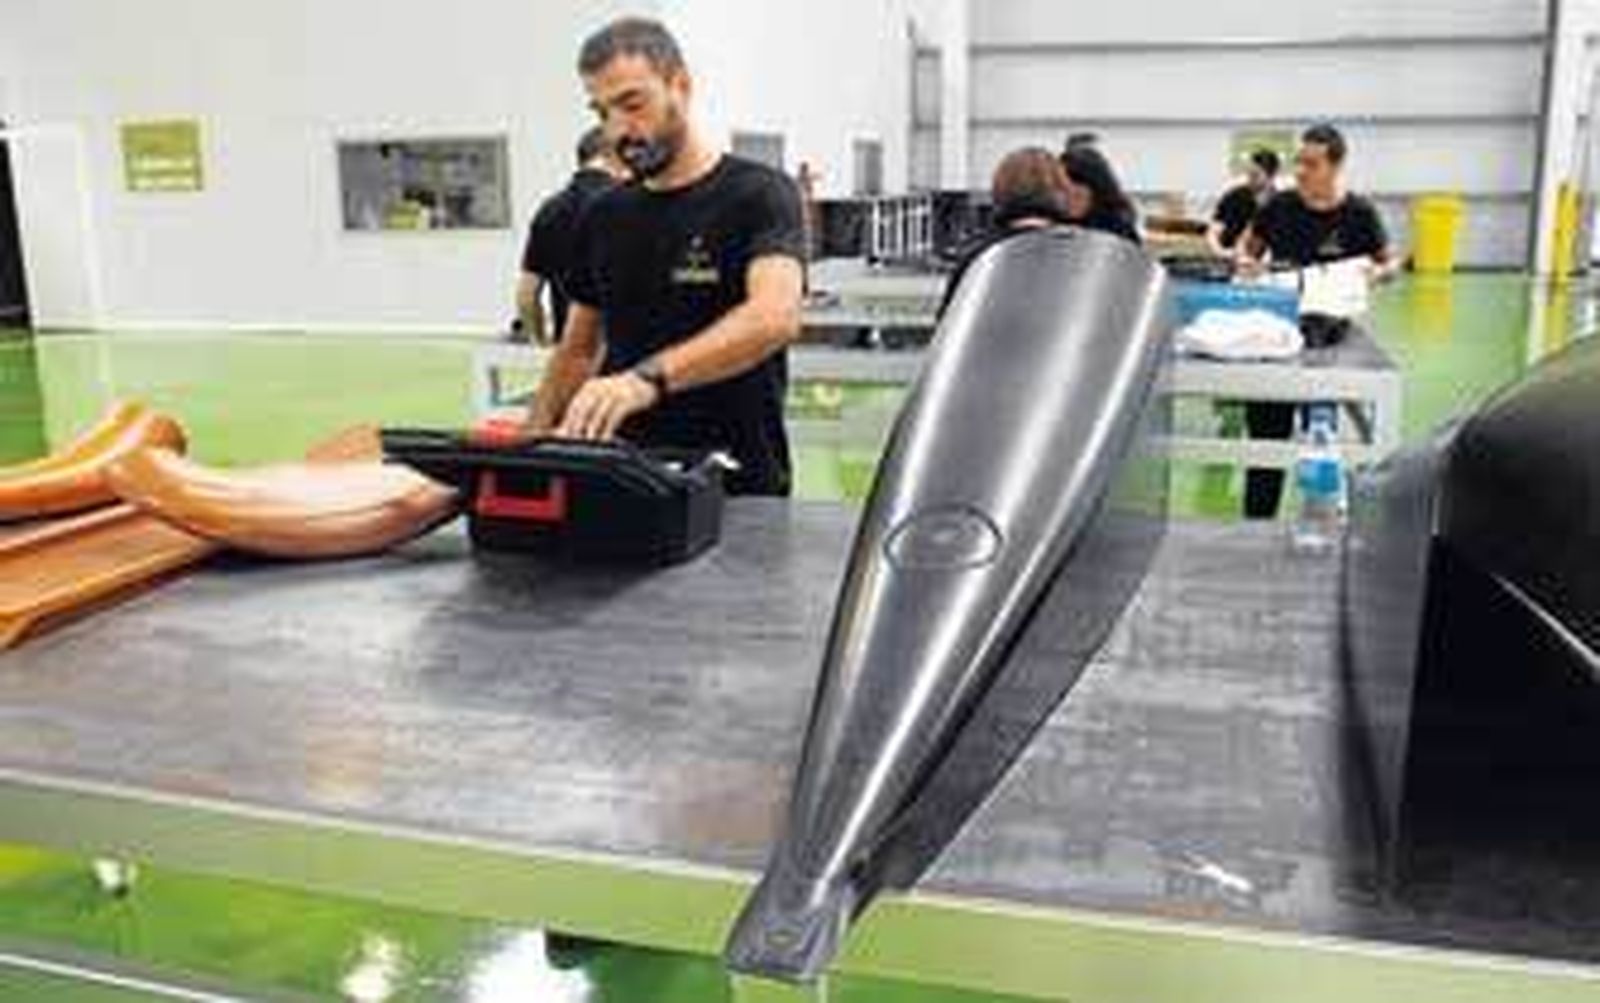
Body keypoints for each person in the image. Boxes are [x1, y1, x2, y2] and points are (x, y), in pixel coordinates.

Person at [523, 17, 807, 497]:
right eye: (602, 112)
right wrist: (528, 444)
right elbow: (579, 349)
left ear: (681, 85)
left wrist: (644, 381)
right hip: (626, 477)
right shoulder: (604, 213)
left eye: (632, 104)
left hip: (736, 482)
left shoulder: (759, 194)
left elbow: (774, 317)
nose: (618, 131)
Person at [1234, 122, 1400, 520]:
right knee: (1266, 446)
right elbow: (1248, 248)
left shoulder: (1359, 214)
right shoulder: (1279, 206)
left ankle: (1318, 526)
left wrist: (1381, 274)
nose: (1302, 172)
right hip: (1275, 338)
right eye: (1299, 163)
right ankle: (1256, 529)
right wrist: (1246, 263)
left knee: (1320, 446)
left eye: (1312, 163)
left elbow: (1389, 261)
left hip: (1329, 345)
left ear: (1336, 166)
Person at [514, 127, 628, 345]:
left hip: (570, 355)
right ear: (612, 154)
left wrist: (541, 344)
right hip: (622, 358)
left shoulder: (550, 210)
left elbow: (527, 295)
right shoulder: (629, 203)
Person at [938, 148, 1073, 317]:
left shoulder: (979, 257)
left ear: (1000, 191)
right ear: (1061, 189)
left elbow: (947, 325)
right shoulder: (1078, 255)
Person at [1060, 144, 1141, 245]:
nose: (1068, 202)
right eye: (1063, 192)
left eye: (1077, 196)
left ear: (1097, 191)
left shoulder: (1118, 226)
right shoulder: (1056, 225)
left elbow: (1132, 255)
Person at [1207, 148, 1280, 255]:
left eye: (1255, 175)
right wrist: (1221, 252)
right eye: (1249, 173)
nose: (1249, 178)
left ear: (1271, 176)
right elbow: (1213, 231)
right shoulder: (1233, 196)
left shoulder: (1280, 203)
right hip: (1227, 254)